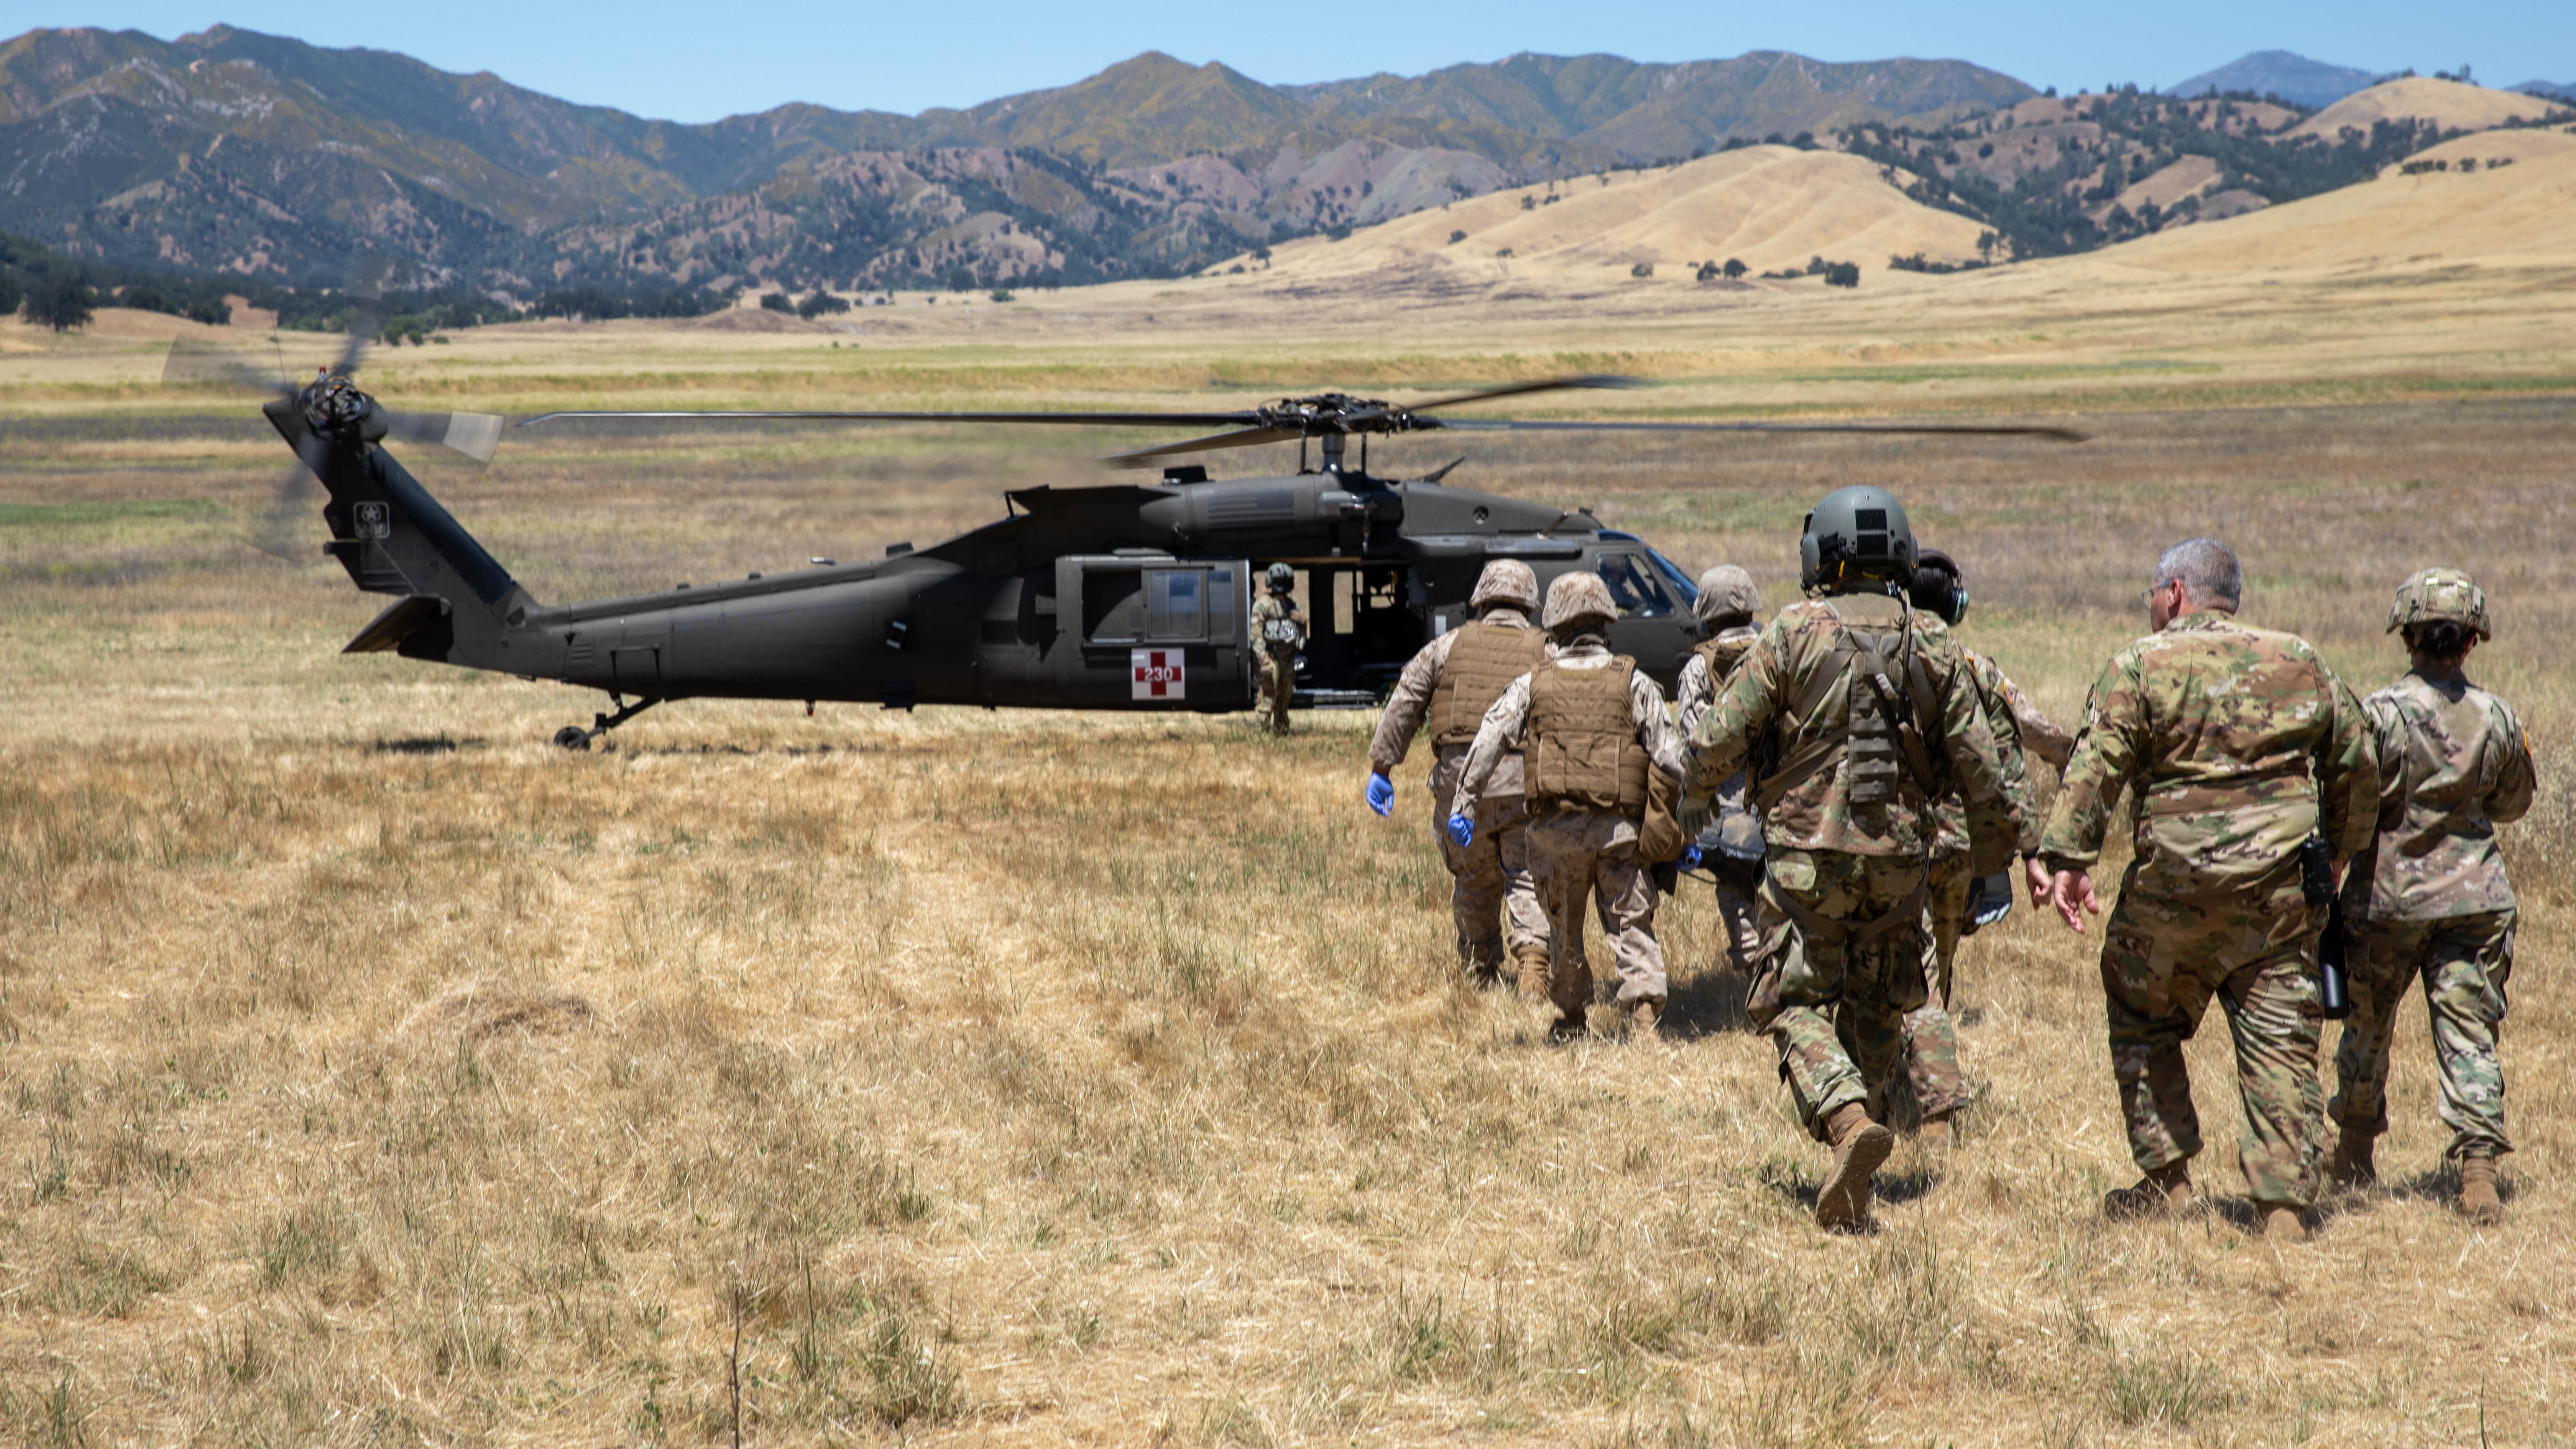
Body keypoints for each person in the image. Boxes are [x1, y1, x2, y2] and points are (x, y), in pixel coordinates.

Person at [1680, 488, 2042, 1232]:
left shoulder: (1793, 631)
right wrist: (2017, 856)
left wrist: (1693, 795)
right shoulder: (1933, 641)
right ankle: (1861, 1173)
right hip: (1904, 864)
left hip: (1810, 865)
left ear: (1824, 553)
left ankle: (1849, 1125)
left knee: (1792, 1001)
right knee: (1879, 1005)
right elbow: (1986, 769)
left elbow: (1717, 739)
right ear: (1901, 553)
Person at [2039, 538, 2377, 1245]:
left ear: (2173, 593)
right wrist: (2340, 849)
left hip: (2174, 894)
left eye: (2152, 596)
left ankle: (2167, 1180)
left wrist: (2067, 858)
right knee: (2281, 1037)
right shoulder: (2300, 659)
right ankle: (2283, 1208)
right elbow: (2358, 756)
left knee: (2138, 1006)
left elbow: (2095, 766)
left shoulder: (2140, 663)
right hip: (2279, 898)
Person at [2327, 568, 2535, 1225]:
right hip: (2475, 902)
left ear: (2408, 634)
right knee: (2470, 1033)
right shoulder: (2498, 716)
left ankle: (2355, 1155)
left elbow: (2350, 804)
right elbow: (2514, 801)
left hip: (2386, 901)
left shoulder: (2379, 715)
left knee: (2367, 1029)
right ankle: (2478, 1172)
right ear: (2471, 642)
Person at [1453, 571, 1688, 1040]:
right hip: (1619, 833)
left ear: (1555, 626)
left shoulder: (1532, 684)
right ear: (1605, 623)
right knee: (1630, 921)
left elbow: (1489, 739)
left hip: (1555, 834)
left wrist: (1464, 802)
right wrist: (1689, 824)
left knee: (1562, 928)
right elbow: (1672, 758)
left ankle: (1573, 1017)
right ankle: (1643, 1016)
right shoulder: (1634, 682)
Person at [1896, 549, 2073, 1148]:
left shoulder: (1888, 662)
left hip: (1905, 845)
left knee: (1913, 977)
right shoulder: (1978, 667)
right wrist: (2031, 847)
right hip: (1964, 850)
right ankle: (1914, 1083)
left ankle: (1934, 1113)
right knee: (1936, 969)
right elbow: (2026, 743)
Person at [1365, 560, 1554, 993]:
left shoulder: (1448, 646)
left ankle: (1481, 966)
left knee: (1473, 875)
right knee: (1525, 873)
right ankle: (1534, 960)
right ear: (1530, 604)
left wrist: (1383, 767)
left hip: (1458, 782)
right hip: (1522, 780)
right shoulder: (1546, 650)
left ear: (1482, 599)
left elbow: (1406, 700)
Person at [1673, 564, 1767, 977]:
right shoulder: (1776, 653)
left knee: (1736, 895)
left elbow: (1695, 742)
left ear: (1708, 614)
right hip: (1778, 803)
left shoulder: (1698, 668)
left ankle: (1755, 973)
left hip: (1725, 815)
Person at [1249, 563, 1306, 736]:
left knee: (1283, 703)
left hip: (1288, 661)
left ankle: (1281, 734)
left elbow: (1300, 635)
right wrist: (1263, 659)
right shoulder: (1264, 605)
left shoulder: (1292, 605)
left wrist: (1303, 621)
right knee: (1267, 700)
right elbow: (1256, 635)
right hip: (1271, 658)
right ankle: (1261, 735)